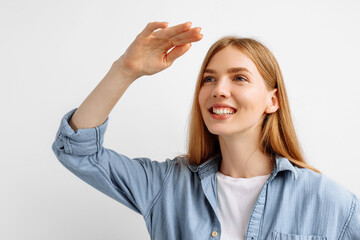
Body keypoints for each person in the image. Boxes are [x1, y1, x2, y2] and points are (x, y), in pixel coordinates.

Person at [52, 21, 360, 239]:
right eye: (209, 79)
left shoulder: (331, 203)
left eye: (239, 78)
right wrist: (125, 70)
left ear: (272, 100)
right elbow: (78, 151)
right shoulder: (167, 186)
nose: (219, 90)